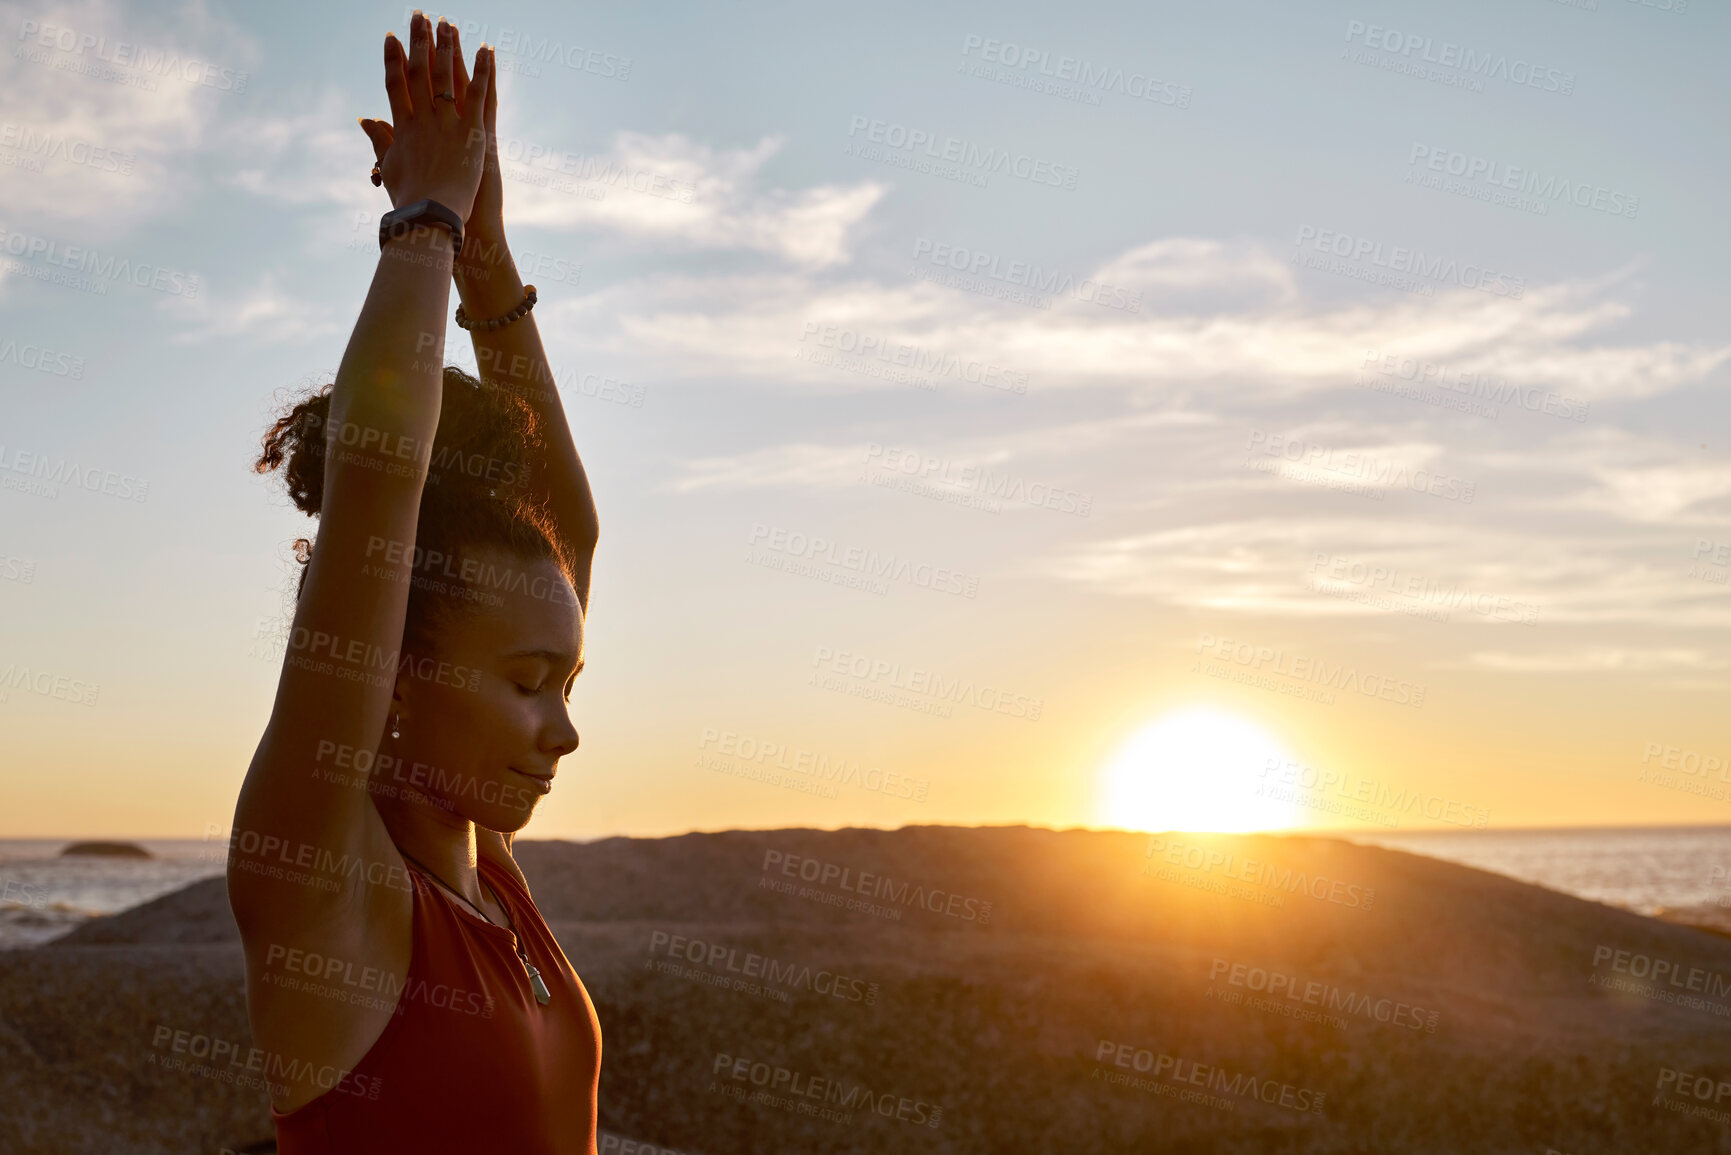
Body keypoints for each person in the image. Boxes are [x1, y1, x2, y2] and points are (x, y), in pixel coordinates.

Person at [227, 12, 602, 1151]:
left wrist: (490, 263)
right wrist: (426, 229)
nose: (565, 732)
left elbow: (566, 537)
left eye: (568, 683)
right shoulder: (323, 887)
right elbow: (380, 486)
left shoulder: (488, 871)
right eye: (532, 683)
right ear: (389, 670)